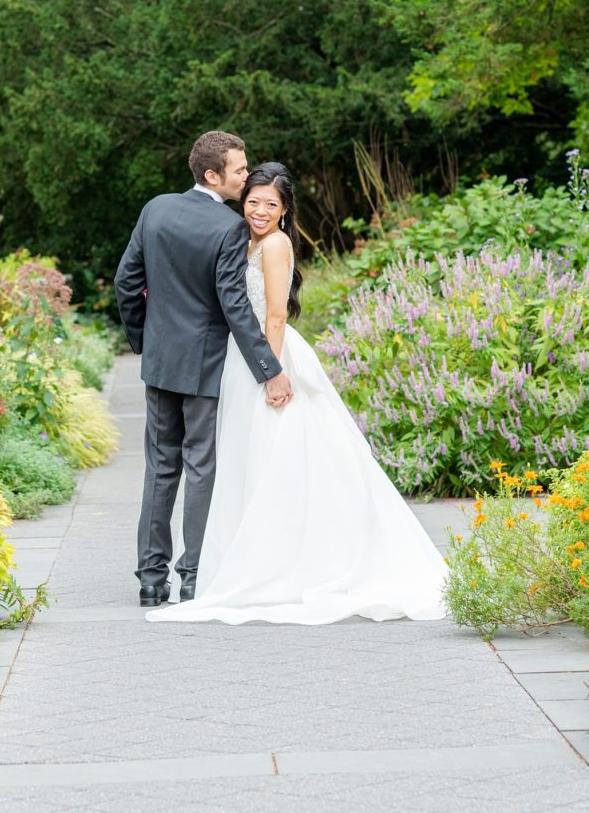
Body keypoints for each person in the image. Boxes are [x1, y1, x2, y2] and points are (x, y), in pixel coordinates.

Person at [146, 161, 446, 625]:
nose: (260, 210)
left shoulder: (277, 244)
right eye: (253, 201)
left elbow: (275, 316)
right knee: (249, 461)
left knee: (279, 457)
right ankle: (253, 556)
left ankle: (291, 562)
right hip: (241, 358)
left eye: (271, 204)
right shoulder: (240, 239)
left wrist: (272, 372)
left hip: (269, 358)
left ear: (285, 212)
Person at [114, 132, 294, 609]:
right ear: (213, 175)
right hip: (206, 366)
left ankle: (151, 581)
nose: (245, 176)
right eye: (239, 170)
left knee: (159, 468)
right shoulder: (228, 227)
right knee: (200, 467)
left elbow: (126, 282)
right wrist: (268, 368)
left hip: (160, 362)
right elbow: (234, 306)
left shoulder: (156, 209)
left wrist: (144, 341)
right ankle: (192, 575)